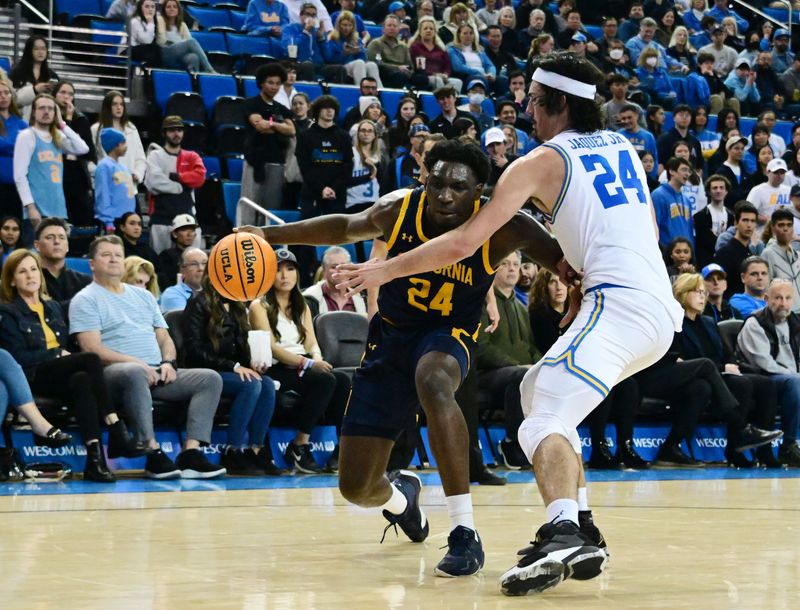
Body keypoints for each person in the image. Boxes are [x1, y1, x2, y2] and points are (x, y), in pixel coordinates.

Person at [330, 51, 701, 595]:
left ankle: (564, 531)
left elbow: (462, 243)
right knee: (538, 393)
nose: (527, 111)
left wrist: (384, 267)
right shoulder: (623, 145)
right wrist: (580, 284)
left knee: (541, 410)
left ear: (554, 104)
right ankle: (584, 524)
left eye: (532, 101)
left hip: (618, 305)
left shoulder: (538, 163)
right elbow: (635, 228)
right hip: (653, 305)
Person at [238, 136, 578, 577]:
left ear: (481, 191)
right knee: (357, 488)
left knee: (434, 381)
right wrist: (267, 234)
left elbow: (568, 264)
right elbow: (344, 226)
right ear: (423, 178)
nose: (445, 195)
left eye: (458, 187)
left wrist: (575, 289)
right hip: (391, 339)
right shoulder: (399, 210)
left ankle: (463, 530)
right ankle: (403, 500)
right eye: (436, 183)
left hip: (448, 333)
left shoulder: (504, 226)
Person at [70, 235, 226, 479]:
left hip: (156, 371)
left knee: (209, 379)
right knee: (134, 372)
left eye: (118, 255)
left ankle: (191, 453)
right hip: (113, 374)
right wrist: (137, 363)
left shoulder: (143, 296)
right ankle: (151, 450)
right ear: (92, 263)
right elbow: (92, 350)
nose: (113, 259)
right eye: (106, 255)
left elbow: (164, 337)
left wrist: (168, 362)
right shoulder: (85, 299)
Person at [0, 250, 146, 481]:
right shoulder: (8, 312)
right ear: (11, 279)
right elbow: (16, 357)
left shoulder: (54, 307)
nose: (30, 275)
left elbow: (70, 346)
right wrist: (57, 354)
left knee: (83, 380)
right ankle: (116, 427)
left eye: (33, 269)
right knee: (90, 359)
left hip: (59, 375)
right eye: (22, 271)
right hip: (31, 377)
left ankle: (94, 459)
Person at [248, 248, 350, 474]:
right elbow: (272, 347)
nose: (284, 276)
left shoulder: (302, 304)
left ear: (297, 274)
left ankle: (344, 448)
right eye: (278, 270)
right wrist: (310, 365)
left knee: (342, 380)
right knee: (325, 381)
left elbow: (312, 342)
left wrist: (316, 358)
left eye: (290, 269)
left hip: (303, 364)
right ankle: (299, 445)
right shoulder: (259, 305)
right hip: (276, 367)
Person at [673, 272, 782, 467]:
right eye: (696, 291)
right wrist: (723, 367)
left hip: (722, 372)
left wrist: (731, 364)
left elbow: (725, 351)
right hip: (701, 377)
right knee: (742, 384)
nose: (701, 296)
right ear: (682, 293)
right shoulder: (675, 325)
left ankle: (764, 449)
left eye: (702, 292)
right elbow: (685, 362)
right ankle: (735, 447)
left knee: (766, 384)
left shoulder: (707, 322)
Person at [183, 271, 281, 476]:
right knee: (250, 384)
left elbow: (240, 345)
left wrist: (253, 362)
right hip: (206, 371)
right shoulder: (198, 302)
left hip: (231, 369)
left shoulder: (237, 304)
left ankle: (256, 449)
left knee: (267, 383)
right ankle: (232, 450)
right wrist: (233, 366)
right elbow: (194, 349)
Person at [477, 251, 540, 470]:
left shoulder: (522, 308)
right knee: (521, 375)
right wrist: (517, 366)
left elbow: (531, 347)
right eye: (505, 264)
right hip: (485, 375)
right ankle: (511, 442)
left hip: (517, 373)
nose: (513, 269)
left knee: (541, 374)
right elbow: (481, 349)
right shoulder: (483, 305)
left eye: (516, 264)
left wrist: (543, 366)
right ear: (493, 269)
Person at [737, 278, 800, 466]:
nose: (784, 303)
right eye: (778, 298)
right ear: (766, 298)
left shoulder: (796, 323)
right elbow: (764, 363)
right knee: (795, 383)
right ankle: (788, 445)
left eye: (788, 298)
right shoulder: (755, 323)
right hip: (764, 378)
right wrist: (795, 375)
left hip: (791, 378)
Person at [13, 94, 90, 229]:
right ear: (34, 112)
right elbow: (19, 176)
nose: (46, 112)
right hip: (37, 210)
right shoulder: (26, 136)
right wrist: (30, 206)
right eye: (42, 108)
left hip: (58, 209)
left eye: (50, 108)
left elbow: (83, 148)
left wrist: (62, 124)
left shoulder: (57, 137)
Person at [240, 63, 295, 228]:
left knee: (271, 210)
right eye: (270, 83)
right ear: (262, 83)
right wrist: (279, 127)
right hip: (255, 160)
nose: (274, 87)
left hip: (277, 162)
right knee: (250, 207)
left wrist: (272, 125)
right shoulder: (251, 104)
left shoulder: (282, 108)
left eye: (278, 83)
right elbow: (259, 126)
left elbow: (291, 130)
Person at [52, 81, 95, 226]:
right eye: (63, 92)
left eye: (70, 94)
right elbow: (63, 145)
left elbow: (88, 151)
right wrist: (67, 121)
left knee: (82, 217)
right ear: (55, 95)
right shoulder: (50, 118)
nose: (66, 97)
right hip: (57, 173)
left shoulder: (82, 119)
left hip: (77, 174)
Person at [90, 91, 147, 187]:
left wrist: (137, 175)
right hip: (107, 185)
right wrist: (103, 175)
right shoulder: (96, 129)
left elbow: (140, 157)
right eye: (114, 104)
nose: (119, 107)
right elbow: (91, 159)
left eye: (121, 104)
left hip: (129, 186)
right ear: (107, 107)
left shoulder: (131, 129)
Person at [33, 218, 90, 308]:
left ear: (67, 246)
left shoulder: (85, 282)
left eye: (62, 237)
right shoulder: (30, 281)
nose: (57, 241)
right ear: (37, 245)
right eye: (50, 237)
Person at [303, 246, 367, 317]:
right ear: (324, 271)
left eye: (343, 266)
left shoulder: (362, 299)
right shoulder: (309, 299)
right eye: (334, 267)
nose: (339, 271)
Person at [325, 10, 383, 88]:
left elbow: (363, 59)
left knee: (371, 65)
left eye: (350, 25)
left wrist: (359, 51)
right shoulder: (332, 39)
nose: (347, 28)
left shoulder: (356, 39)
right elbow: (329, 60)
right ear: (339, 25)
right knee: (359, 63)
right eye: (344, 25)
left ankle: (380, 92)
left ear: (353, 27)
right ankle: (362, 90)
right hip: (340, 68)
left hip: (355, 67)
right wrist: (344, 54)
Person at [714, 202, 759, 298]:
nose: (749, 225)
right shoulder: (725, 253)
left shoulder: (750, 252)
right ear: (736, 223)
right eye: (745, 220)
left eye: (752, 221)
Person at [157, 0, 215, 73]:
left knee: (193, 57)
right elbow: (161, 41)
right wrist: (181, 45)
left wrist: (182, 47)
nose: (172, 9)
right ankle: (209, 69)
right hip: (165, 53)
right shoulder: (160, 19)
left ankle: (194, 79)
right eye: (168, 7)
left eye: (174, 7)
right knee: (191, 42)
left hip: (180, 55)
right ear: (164, 10)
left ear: (178, 10)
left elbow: (187, 40)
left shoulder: (182, 24)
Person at [94, 128, 135, 232]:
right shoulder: (104, 166)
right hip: (114, 220)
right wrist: (108, 222)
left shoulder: (124, 168)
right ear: (116, 145)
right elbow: (103, 195)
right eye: (123, 143)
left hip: (128, 219)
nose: (126, 146)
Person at [9, 36, 58, 121]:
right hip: (20, 120)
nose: (40, 52)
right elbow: (13, 100)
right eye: (36, 49)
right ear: (29, 51)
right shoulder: (17, 73)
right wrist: (34, 90)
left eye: (43, 49)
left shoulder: (52, 76)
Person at [762, 209, 800, 313]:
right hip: (782, 313)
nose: (785, 229)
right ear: (773, 228)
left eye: (789, 225)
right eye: (781, 225)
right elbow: (765, 288)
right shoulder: (768, 253)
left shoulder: (797, 255)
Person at [0, 80, 27, 223]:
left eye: (6, 93)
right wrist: (15, 146)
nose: (3, 97)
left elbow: (27, 148)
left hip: (16, 185)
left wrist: (5, 147)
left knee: (14, 224)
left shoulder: (21, 123)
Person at [652, 156, 694, 248]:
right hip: (666, 253)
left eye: (689, 171)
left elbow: (690, 231)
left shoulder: (687, 200)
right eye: (683, 170)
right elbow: (654, 227)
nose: (687, 174)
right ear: (671, 171)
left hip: (685, 254)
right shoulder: (658, 195)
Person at [694, 174, 734, 267]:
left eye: (721, 188)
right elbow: (702, 243)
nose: (718, 191)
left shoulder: (732, 216)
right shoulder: (700, 216)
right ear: (709, 191)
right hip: (707, 262)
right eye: (715, 188)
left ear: (726, 191)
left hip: (727, 261)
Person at [748, 158, 791, 238]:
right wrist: (765, 219)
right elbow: (748, 213)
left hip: (785, 234)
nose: (779, 175)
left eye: (782, 172)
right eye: (776, 172)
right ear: (768, 172)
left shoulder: (788, 190)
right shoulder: (757, 190)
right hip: (763, 234)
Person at [157, 213, 199, 290]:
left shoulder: (199, 256)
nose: (189, 234)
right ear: (174, 234)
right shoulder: (166, 256)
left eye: (192, 230)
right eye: (184, 230)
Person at [160, 247, 206, 312]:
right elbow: (186, 321)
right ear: (182, 270)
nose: (201, 268)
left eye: (204, 263)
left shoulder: (216, 292)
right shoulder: (173, 294)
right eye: (194, 264)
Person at [715, 135, 751, 208]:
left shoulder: (744, 169)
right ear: (728, 150)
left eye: (742, 149)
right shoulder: (721, 172)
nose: (740, 151)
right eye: (736, 148)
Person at [129, 0, 163, 68]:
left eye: (153, 7)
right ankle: (147, 72)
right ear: (140, 8)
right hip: (128, 49)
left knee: (157, 50)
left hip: (142, 50)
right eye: (147, 7)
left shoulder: (155, 21)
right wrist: (150, 23)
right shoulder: (135, 21)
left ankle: (151, 73)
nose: (150, 9)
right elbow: (146, 41)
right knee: (154, 48)